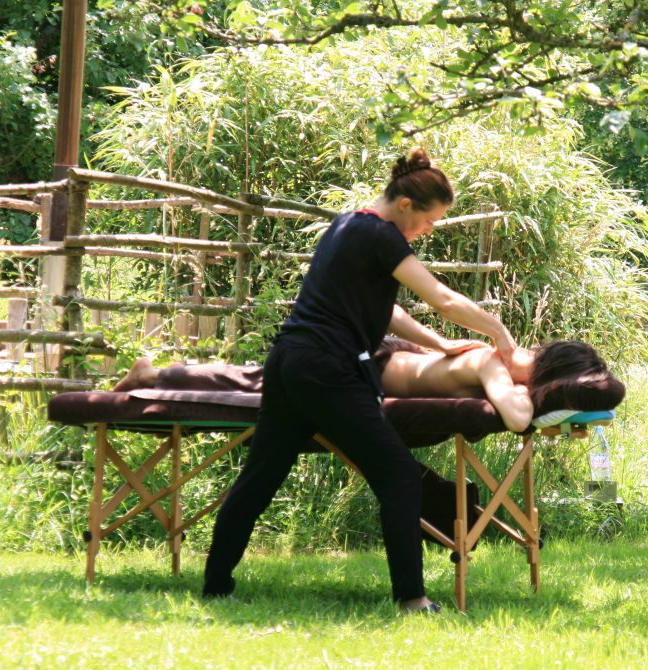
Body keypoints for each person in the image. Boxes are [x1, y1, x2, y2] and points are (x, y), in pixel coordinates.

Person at [200, 147, 518, 613]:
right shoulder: (383, 235)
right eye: (429, 220)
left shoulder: (347, 225)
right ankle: (412, 599)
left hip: (290, 361)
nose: (428, 231)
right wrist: (498, 330)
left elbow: (385, 311)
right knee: (400, 475)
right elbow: (443, 298)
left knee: (261, 476)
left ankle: (215, 585)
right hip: (328, 368)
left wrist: (441, 347)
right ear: (406, 205)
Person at [115, 337, 622, 434]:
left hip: (373, 369)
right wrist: (545, 412)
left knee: (259, 382)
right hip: (358, 367)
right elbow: (515, 417)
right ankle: (152, 378)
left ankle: (158, 374)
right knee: (258, 386)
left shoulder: (503, 369)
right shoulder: (494, 366)